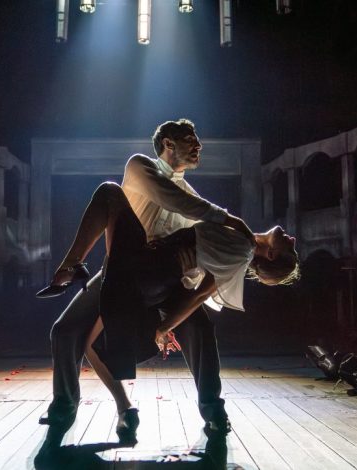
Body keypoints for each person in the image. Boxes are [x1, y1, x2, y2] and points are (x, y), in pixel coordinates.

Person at [36, 119, 297, 439]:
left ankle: (213, 410)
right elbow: (178, 202)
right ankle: (86, 405)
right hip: (126, 267)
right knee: (65, 331)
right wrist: (230, 220)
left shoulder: (192, 197)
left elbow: (202, 254)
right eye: (190, 139)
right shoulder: (141, 167)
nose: (199, 145)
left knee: (200, 327)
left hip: (166, 277)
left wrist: (169, 321)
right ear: (168, 144)